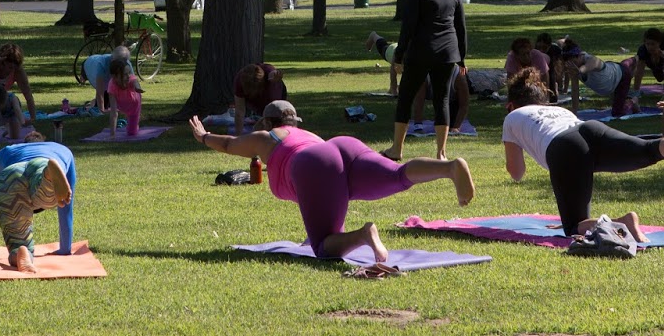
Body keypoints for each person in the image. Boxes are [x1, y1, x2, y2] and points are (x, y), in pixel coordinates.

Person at [188, 100, 475, 264]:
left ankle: (364, 235)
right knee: (398, 175)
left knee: (324, 248)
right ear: (295, 121)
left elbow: (229, 144)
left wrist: (203, 137)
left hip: (315, 165)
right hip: (343, 147)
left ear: (266, 122)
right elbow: (324, 193)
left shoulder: (267, 138)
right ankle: (448, 167)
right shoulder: (307, 135)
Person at [499, 71, 664, 240]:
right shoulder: (557, 109)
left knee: (574, 227)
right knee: (647, 150)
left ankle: (622, 223)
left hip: (564, 148)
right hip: (590, 129)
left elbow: (517, 173)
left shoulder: (512, 118)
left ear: (511, 105)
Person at [388, 0, 467, 162]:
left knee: (405, 97)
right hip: (448, 54)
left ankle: (397, 149)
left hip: (421, 51)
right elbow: (461, 28)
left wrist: (399, 54)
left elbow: (409, 26)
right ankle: (441, 153)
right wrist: (461, 58)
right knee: (442, 99)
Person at [0, 133, 76, 271]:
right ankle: (47, 177)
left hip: (9, 175)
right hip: (42, 163)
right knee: (52, 197)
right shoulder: (62, 149)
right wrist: (65, 248)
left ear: (25, 142)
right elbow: (66, 206)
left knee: (17, 242)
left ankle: (20, 251)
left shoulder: (11, 150)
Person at [233, 63, 288, 127]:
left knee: (275, 117)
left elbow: (275, 73)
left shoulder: (268, 71)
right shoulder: (239, 82)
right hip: (257, 103)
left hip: (273, 95)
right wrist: (238, 136)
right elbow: (239, 112)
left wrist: (276, 74)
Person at [83, 46, 132, 112]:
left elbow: (132, 83)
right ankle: (90, 105)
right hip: (89, 64)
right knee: (104, 101)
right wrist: (101, 111)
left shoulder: (127, 63)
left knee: (112, 101)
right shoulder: (101, 65)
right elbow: (100, 92)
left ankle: (92, 102)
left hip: (105, 71)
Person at [104, 57, 144, 137]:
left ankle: (135, 125)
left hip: (134, 107)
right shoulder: (112, 86)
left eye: (129, 73)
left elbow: (135, 82)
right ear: (115, 77)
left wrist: (137, 88)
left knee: (132, 133)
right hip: (122, 106)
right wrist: (112, 134)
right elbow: (113, 112)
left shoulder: (130, 79)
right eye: (125, 74)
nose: (128, 76)